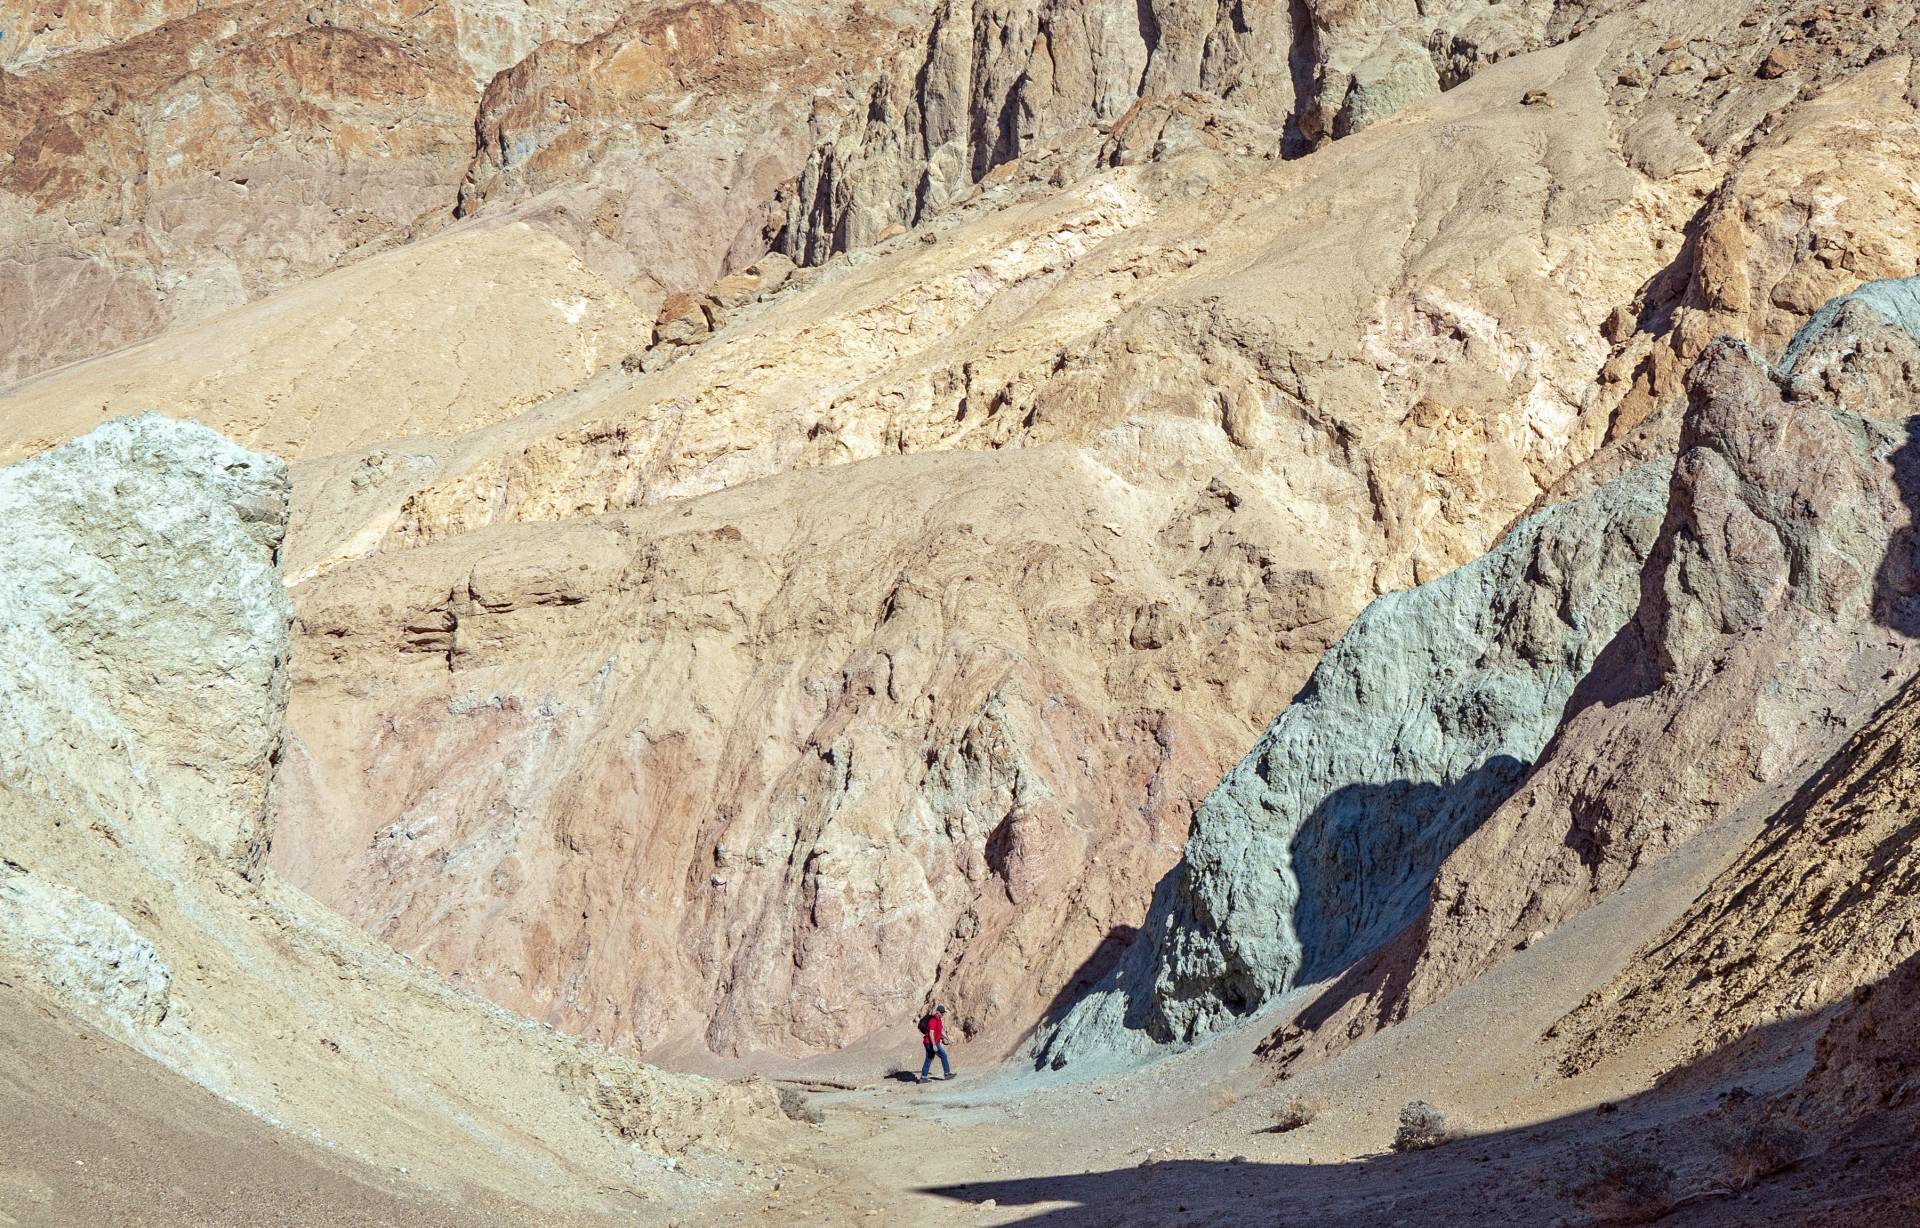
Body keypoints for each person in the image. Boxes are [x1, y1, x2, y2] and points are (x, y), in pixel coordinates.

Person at [916, 1004, 953, 1082]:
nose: (943, 1014)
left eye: (943, 1012)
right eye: (941, 1012)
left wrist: (947, 1039)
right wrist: (934, 1045)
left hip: (931, 1042)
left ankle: (923, 1077)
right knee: (943, 1056)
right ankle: (947, 1074)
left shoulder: (939, 1020)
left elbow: (941, 1031)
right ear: (937, 1012)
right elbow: (931, 1033)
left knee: (929, 1059)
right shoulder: (933, 1020)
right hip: (930, 1043)